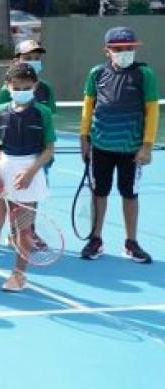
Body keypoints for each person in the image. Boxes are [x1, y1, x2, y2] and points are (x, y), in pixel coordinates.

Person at [0, 63, 56, 291]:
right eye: (16, 86)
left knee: (22, 229)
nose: (21, 90)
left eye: (27, 86)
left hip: (30, 171)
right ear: (8, 86)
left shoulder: (42, 113)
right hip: (3, 169)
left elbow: (48, 149)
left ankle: (18, 275)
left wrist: (30, 173)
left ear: (35, 86)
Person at [79, 26, 157, 263]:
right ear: (107, 51)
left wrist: (147, 145)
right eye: (118, 49)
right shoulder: (96, 74)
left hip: (132, 150)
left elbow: (152, 111)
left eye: (129, 48)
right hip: (100, 146)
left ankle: (131, 243)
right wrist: (84, 138)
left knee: (129, 194)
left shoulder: (145, 74)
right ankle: (96, 239)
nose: (125, 52)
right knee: (99, 192)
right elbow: (88, 106)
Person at [0, 40, 56, 113]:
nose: (33, 62)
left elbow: (51, 116)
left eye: (37, 58)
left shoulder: (46, 88)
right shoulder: (6, 90)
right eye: (28, 58)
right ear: (16, 61)